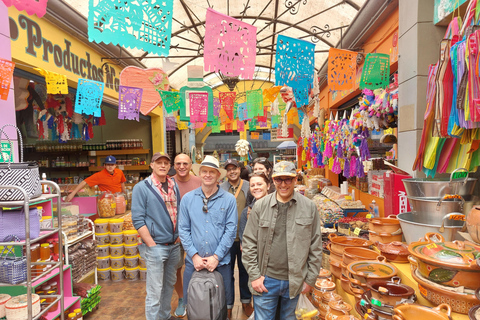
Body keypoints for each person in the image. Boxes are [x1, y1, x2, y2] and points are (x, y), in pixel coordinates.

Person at [242, 161, 323, 320]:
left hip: (295, 281)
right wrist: (255, 276)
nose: (283, 184)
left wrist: (310, 280)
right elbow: (249, 243)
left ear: (295, 180)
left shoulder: (308, 207)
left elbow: (316, 246)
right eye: (279, 179)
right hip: (265, 280)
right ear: (273, 180)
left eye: (288, 179)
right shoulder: (261, 206)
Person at [178, 155, 237, 320]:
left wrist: (216, 257)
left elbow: (231, 230)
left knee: (221, 307)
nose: (208, 175)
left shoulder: (229, 200)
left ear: (218, 175)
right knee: (194, 306)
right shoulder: (188, 199)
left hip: (221, 264)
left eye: (212, 172)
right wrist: (194, 255)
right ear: (200, 174)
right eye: (204, 171)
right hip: (193, 264)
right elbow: (183, 229)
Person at [132, 152, 181, 320]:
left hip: (173, 246)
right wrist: (151, 244)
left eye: (166, 163)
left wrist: (179, 235)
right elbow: (137, 219)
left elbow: (179, 211)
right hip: (156, 247)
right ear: (151, 165)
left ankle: (165, 316)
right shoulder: (142, 187)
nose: (162, 165)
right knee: (154, 290)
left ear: (169, 166)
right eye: (158, 162)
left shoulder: (174, 185)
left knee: (168, 286)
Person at [220, 159, 254, 317]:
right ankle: (227, 305)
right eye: (229, 169)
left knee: (245, 271)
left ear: (240, 170)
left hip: (245, 238)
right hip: (226, 239)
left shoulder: (248, 186)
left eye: (235, 168)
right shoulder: (221, 188)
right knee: (226, 273)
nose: (232, 171)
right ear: (225, 172)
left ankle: (246, 302)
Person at [171, 153, 202, 317]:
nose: (181, 167)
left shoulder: (199, 182)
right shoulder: (168, 183)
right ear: (174, 165)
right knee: (177, 268)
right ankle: (182, 298)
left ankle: (196, 298)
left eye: (185, 163)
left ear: (191, 165)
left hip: (196, 233)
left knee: (196, 265)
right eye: (178, 163)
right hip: (175, 235)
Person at [238, 172, 270, 243]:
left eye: (259, 184)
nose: (256, 187)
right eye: (252, 185)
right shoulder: (246, 212)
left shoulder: (278, 207)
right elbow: (244, 242)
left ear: (268, 186)